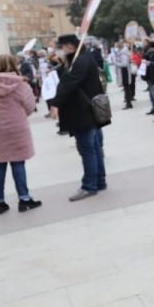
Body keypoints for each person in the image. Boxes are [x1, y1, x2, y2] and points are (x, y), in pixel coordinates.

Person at [0, 54, 42, 215]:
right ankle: (24, 200)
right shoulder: (20, 84)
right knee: (18, 164)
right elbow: (31, 107)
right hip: (16, 130)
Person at [49, 34, 108, 201]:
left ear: (69, 47)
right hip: (90, 109)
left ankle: (89, 185)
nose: (58, 51)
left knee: (87, 149)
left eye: (60, 47)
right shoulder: (82, 58)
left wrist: (55, 104)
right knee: (95, 147)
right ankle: (99, 181)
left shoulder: (80, 61)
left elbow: (69, 83)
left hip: (84, 112)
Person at [112, 42, 135, 109]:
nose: (115, 48)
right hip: (124, 72)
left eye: (116, 47)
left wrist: (115, 63)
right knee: (126, 87)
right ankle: (128, 102)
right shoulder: (121, 53)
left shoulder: (123, 53)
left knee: (126, 87)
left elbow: (124, 64)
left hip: (125, 72)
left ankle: (128, 103)